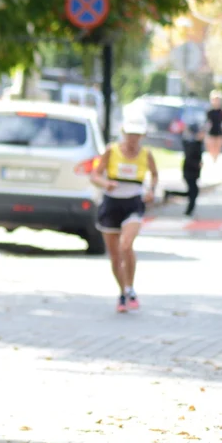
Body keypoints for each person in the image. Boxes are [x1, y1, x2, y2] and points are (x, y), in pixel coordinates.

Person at [90, 110, 158, 314]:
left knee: (126, 245)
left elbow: (154, 175)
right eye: (130, 134)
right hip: (112, 203)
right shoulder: (111, 151)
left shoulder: (146, 155)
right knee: (114, 255)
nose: (133, 139)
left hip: (133, 203)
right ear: (123, 133)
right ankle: (123, 292)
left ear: (142, 135)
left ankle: (130, 287)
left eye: (137, 134)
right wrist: (105, 183)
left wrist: (151, 190)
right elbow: (95, 174)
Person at [181, 122, 205, 217]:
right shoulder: (193, 144)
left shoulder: (198, 144)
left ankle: (189, 210)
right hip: (189, 171)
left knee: (193, 191)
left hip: (193, 172)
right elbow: (189, 158)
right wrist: (197, 164)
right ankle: (189, 211)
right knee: (193, 191)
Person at [204, 90, 222, 165]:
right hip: (211, 131)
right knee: (210, 146)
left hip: (219, 131)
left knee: (218, 146)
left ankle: (215, 159)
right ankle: (213, 158)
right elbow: (207, 122)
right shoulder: (209, 112)